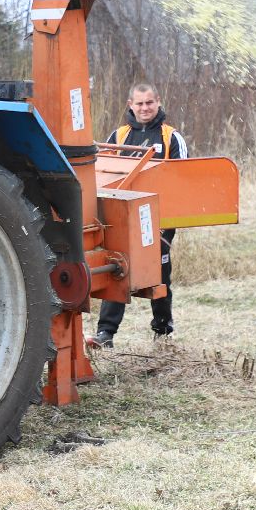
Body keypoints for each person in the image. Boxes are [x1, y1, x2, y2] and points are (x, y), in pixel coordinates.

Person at [88, 84, 189, 348]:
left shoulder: (171, 137)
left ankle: (163, 329)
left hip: (159, 218)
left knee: (159, 271)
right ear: (130, 104)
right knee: (116, 268)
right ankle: (105, 333)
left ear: (158, 102)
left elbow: (183, 179)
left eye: (149, 103)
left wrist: (170, 220)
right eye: (139, 104)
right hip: (121, 215)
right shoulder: (119, 135)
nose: (144, 108)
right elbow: (103, 173)